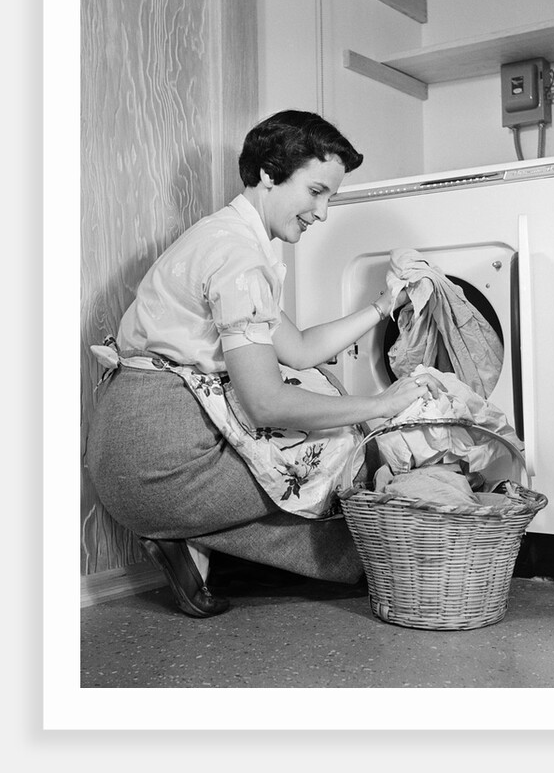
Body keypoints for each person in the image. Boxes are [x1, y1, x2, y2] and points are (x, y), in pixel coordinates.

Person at [85, 110, 442, 618]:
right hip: (158, 468)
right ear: (269, 174)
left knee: (317, 392)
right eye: (316, 192)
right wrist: (382, 405)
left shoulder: (223, 236)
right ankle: (185, 531)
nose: (322, 213)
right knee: (342, 440)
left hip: (125, 451)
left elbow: (299, 349)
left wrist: (384, 304)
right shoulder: (240, 260)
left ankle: (196, 543)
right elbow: (267, 404)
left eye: (330, 197)